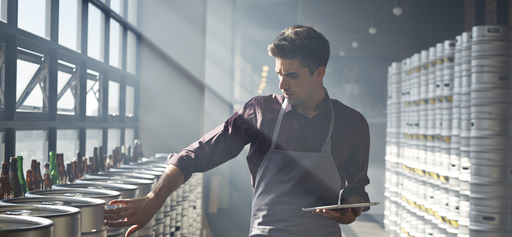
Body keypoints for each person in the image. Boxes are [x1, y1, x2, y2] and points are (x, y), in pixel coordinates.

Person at [105, 25, 371, 237]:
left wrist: (351, 210)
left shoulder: (352, 124)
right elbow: (198, 153)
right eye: (279, 73)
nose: (281, 84)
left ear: (319, 73)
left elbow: (356, 188)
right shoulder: (262, 112)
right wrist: (154, 198)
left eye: (292, 75)